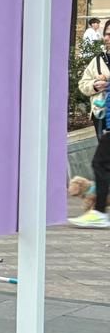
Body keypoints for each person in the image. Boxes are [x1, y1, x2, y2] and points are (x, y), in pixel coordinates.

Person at [72, 44, 110, 227]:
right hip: (102, 117)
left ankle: (99, 211)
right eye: (108, 33)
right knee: (102, 163)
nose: (108, 38)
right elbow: (83, 84)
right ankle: (99, 210)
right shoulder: (98, 61)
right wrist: (95, 85)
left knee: (100, 163)